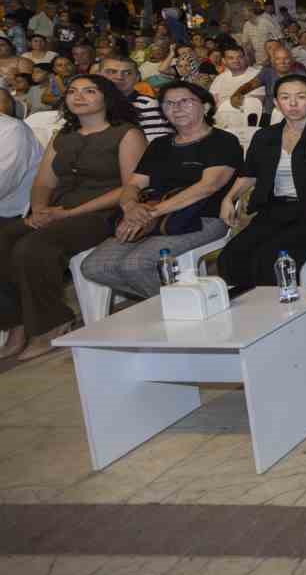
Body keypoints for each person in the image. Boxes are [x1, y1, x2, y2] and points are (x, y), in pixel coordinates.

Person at [0, 75, 145, 360]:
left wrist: (67, 214)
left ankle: (52, 323)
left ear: (106, 98)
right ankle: (16, 323)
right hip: (58, 210)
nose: (79, 97)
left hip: (104, 211)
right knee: (3, 239)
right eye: (73, 91)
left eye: (89, 91)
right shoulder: (63, 135)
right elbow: (43, 183)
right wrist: (40, 210)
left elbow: (130, 188)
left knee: (34, 248)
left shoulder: (127, 134)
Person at [80, 82, 241, 305]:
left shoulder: (222, 141)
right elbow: (133, 185)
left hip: (203, 217)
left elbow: (207, 187)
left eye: (185, 101)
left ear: (205, 106)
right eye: (169, 103)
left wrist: (150, 213)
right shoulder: (160, 145)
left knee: (136, 265)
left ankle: (182, 313)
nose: (176, 108)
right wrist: (130, 207)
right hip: (153, 218)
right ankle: (177, 306)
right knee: (94, 267)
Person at [216, 75, 306, 292]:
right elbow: (250, 174)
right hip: (275, 211)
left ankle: (279, 314)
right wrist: (229, 198)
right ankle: (249, 313)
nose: (293, 103)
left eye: (301, 97)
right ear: (276, 103)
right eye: (285, 97)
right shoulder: (265, 136)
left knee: (270, 258)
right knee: (231, 256)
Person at [98, 54, 171, 141]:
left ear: (137, 78)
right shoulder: (86, 103)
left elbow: (154, 147)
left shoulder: (149, 104)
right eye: (111, 72)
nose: (119, 77)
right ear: (98, 75)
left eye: (127, 73)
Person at [208, 47, 259, 127]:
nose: (236, 61)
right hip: (220, 121)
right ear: (224, 61)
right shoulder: (220, 78)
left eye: (240, 57)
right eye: (231, 58)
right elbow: (210, 101)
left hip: (246, 121)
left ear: (245, 58)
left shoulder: (257, 75)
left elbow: (256, 103)